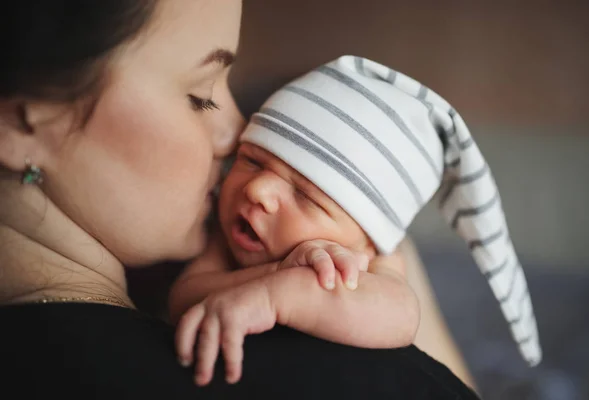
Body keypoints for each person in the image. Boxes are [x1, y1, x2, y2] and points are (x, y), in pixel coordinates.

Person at [0, 1, 480, 399]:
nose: (238, 133)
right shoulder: (371, 380)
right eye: (201, 94)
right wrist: (283, 282)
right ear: (24, 123)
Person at [170, 55, 542, 386]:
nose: (258, 190)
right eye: (251, 161)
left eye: (305, 194)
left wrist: (276, 298)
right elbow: (182, 299)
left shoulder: (372, 263)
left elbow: (400, 317)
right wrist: (272, 277)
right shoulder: (225, 239)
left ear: (367, 239)